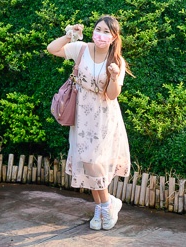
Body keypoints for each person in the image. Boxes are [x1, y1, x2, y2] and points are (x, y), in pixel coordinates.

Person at [46, 15, 131, 230]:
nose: (100, 35)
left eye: (106, 32)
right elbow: (52, 49)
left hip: (104, 116)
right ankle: (105, 204)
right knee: (87, 160)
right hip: (82, 114)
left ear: (114, 37)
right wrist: (68, 36)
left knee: (94, 161)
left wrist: (113, 77)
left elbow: (112, 95)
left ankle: (104, 207)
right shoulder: (82, 49)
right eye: (98, 29)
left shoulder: (117, 62)